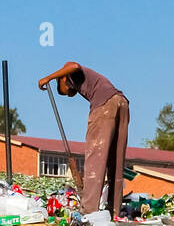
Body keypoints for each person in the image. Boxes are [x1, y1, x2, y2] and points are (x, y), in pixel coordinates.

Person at [37, 61, 129, 215]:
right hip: (121, 102)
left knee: (95, 161)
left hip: (104, 106)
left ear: (63, 79)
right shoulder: (89, 80)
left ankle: (88, 212)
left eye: (65, 90)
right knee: (115, 161)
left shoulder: (70, 71)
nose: (70, 92)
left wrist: (48, 78)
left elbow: (74, 65)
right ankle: (114, 212)